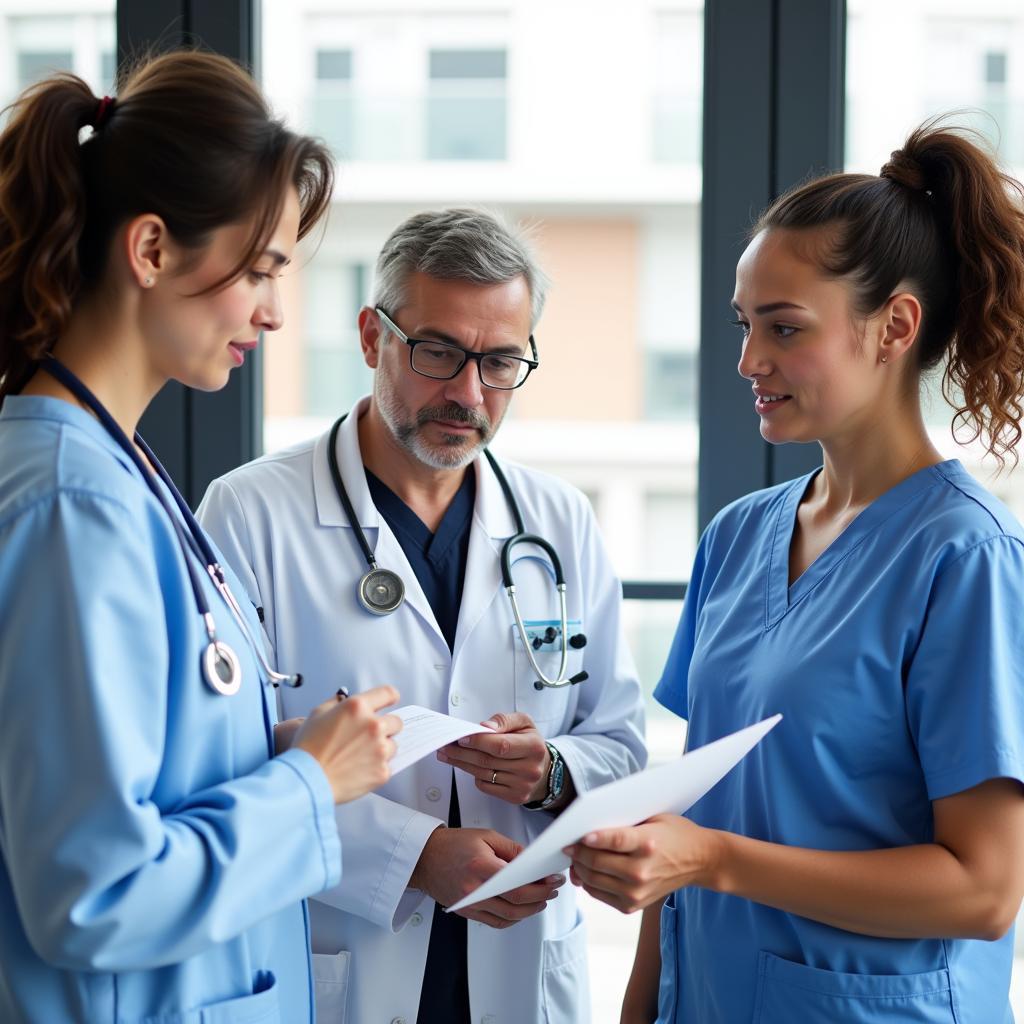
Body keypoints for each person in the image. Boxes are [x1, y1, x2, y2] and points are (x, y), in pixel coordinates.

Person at [566, 122, 1024, 1024]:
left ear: (894, 326)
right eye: (746, 325)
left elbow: (984, 891)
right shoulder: (738, 537)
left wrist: (717, 861)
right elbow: (687, 819)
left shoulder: (965, 559)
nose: (749, 361)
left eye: (784, 328)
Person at [0, 51, 403, 1024]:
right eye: (259, 269)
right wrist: (309, 783)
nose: (271, 310)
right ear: (149, 251)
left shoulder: (104, 462)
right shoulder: (72, 503)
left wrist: (263, 747)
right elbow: (95, 894)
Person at [198, 207, 647, 1023]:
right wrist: (413, 857)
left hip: (520, 964)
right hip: (341, 959)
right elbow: (218, 764)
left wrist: (550, 769)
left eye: (502, 361)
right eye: (439, 351)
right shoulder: (248, 514)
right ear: (373, 338)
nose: (469, 393)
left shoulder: (560, 521)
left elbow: (620, 745)